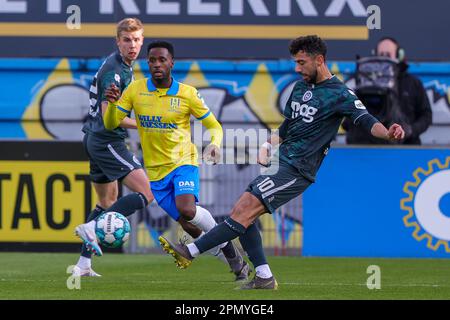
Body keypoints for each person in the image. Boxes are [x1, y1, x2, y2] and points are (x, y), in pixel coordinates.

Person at [158, 35, 405, 290]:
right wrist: (267, 145)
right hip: (281, 163)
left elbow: (365, 120)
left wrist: (387, 133)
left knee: (242, 212)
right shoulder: (300, 88)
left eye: (302, 62)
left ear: (319, 60)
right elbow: (288, 125)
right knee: (246, 213)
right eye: (295, 63)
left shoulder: (340, 94)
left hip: (299, 170)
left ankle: (190, 251)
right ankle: (264, 277)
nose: (297, 69)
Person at [72, 20, 224, 279]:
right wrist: (148, 124)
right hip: (108, 140)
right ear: (117, 41)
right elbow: (110, 115)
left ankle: (83, 264)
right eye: (127, 40)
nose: (132, 46)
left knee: (107, 202)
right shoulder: (116, 71)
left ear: (142, 42)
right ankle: (92, 227)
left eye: (136, 40)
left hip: (95, 138)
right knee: (148, 191)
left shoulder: (122, 67)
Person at [103, 40, 250, 281]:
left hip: (183, 162)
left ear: (172, 62)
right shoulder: (135, 91)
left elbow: (214, 126)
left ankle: (226, 256)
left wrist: (214, 143)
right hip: (156, 172)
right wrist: (111, 106)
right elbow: (111, 123)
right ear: (147, 63)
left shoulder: (187, 93)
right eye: (152, 60)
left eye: (162, 60)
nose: (157, 64)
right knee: (191, 226)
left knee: (187, 209)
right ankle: (235, 261)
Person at [344, 36, 432, 145]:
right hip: (365, 149)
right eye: (381, 55)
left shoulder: (412, 83)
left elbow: (426, 115)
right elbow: (349, 120)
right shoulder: (360, 82)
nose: (384, 59)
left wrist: (410, 130)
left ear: (399, 55)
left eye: (388, 55)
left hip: (405, 148)